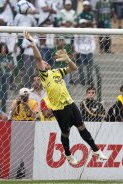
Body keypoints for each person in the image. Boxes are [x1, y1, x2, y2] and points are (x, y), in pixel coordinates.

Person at [24, 31, 108, 165]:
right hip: (59, 108)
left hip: (69, 103)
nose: (44, 63)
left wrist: (68, 59)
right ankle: (68, 154)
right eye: (42, 63)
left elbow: (74, 68)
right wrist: (33, 43)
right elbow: (38, 59)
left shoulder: (57, 72)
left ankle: (95, 149)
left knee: (82, 127)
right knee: (66, 133)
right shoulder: (44, 76)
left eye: (45, 62)